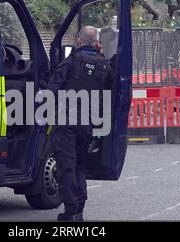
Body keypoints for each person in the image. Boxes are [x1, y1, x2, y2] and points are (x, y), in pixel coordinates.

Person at [47, 26, 111, 221]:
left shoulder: (72, 60)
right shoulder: (104, 65)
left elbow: (52, 88)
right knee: (79, 166)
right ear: (97, 44)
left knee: (67, 164)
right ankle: (79, 208)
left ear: (79, 42)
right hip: (87, 123)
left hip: (66, 120)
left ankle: (71, 210)